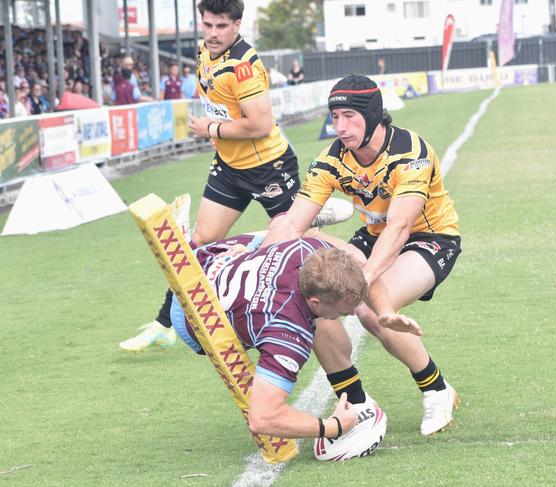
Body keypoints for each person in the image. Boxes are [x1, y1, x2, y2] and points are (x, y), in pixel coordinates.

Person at [120, 0, 350, 352]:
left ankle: (354, 279)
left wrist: (210, 127)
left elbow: (259, 125)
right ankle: (164, 324)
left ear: (237, 25)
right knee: (198, 242)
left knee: (302, 244)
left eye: (221, 26)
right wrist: (217, 131)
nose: (213, 33)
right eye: (208, 25)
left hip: (268, 167)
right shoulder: (204, 52)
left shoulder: (243, 67)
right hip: (229, 168)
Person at [263, 74, 462, 436]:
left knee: (370, 311)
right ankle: (356, 403)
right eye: (334, 117)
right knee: (318, 297)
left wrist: (360, 282)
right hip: (372, 236)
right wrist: (261, 273)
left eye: (348, 117)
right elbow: (292, 224)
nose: (338, 127)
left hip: (429, 237)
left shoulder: (411, 154)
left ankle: (437, 390)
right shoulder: (330, 160)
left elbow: (400, 228)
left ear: (372, 116)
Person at [168, 232, 419, 439]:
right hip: (192, 321)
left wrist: (385, 311)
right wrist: (332, 427)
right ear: (315, 302)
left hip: (204, 263)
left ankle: (252, 247)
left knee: (280, 229)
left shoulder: (309, 248)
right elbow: (262, 418)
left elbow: (356, 263)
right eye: (344, 310)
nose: (353, 314)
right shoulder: (288, 333)